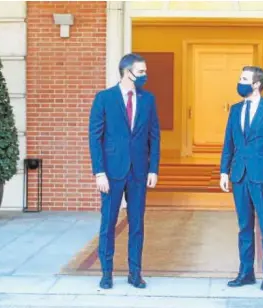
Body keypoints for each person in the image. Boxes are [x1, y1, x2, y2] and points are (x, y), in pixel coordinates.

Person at [88, 53, 160, 289]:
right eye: (141, 72)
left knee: (137, 224)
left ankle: (135, 274)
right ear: (126, 72)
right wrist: (99, 172)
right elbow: (94, 137)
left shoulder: (148, 99)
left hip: (139, 172)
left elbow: (154, 136)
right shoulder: (104, 98)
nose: (145, 76)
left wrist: (153, 168)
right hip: (111, 172)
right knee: (108, 223)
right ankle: (106, 273)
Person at [219, 66, 263, 291]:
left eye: (244, 79)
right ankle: (246, 272)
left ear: (256, 84)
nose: (240, 82)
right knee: (244, 226)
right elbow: (228, 142)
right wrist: (223, 172)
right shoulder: (236, 109)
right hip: (239, 176)